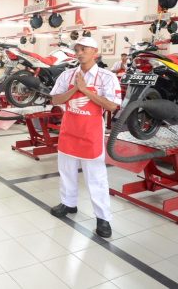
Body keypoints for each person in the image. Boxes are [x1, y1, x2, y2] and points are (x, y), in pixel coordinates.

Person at [49, 36, 121, 238]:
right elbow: (55, 99)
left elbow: (112, 106)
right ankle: (68, 203)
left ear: (95, 52)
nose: (79, 53)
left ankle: (103, 218)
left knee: (96, 178)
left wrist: (85, 90)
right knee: (66, 172)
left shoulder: (107, 77)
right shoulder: (67, 75)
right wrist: (74, 88)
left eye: (84, 49)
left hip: (91, 134)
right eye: (77, 49)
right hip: (69, 132)